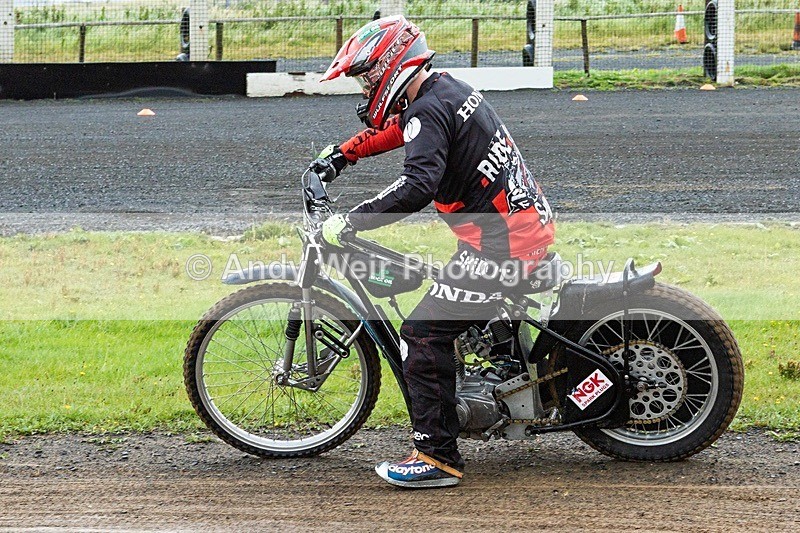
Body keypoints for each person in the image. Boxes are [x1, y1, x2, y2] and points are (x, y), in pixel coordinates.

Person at [311, 15, 555, 489]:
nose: (365, 90)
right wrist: (343, 155)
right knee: (447, 306)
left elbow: (417, 183)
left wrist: (352, 220)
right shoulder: (445, 89)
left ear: (391, 67)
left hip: (503, 244)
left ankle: (436, 455)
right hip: (516, 228)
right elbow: (405, 130)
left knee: (421, 333)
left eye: (366, 78)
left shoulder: (427, 109)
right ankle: (502, 376)